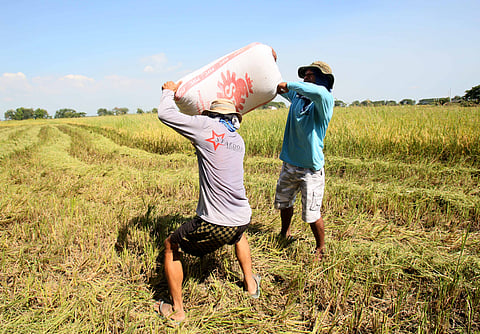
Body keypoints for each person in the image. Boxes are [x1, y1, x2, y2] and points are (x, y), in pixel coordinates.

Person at [155, 81, 260, 323]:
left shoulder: (205, 126)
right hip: (243, 216)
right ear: (233, 117)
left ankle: (177, 310)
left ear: (210, 114)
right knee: (239, 234)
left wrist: (168, 91)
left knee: (171, 244)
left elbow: (166, 114)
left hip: (216, 220)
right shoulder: (237, 139)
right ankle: (251, 284)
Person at [274, 61, 335, 261]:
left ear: (323, 79)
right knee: (284, 203)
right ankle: (285, 233)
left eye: (311, 75)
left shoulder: (324, 99)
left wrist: (289, 85)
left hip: (311, 168)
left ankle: (320, 247)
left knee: (311, 213)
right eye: (305, 75)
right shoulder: (298, 98)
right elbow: (276, 87)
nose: (306, 78)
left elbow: (311, 91)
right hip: (289, 163)